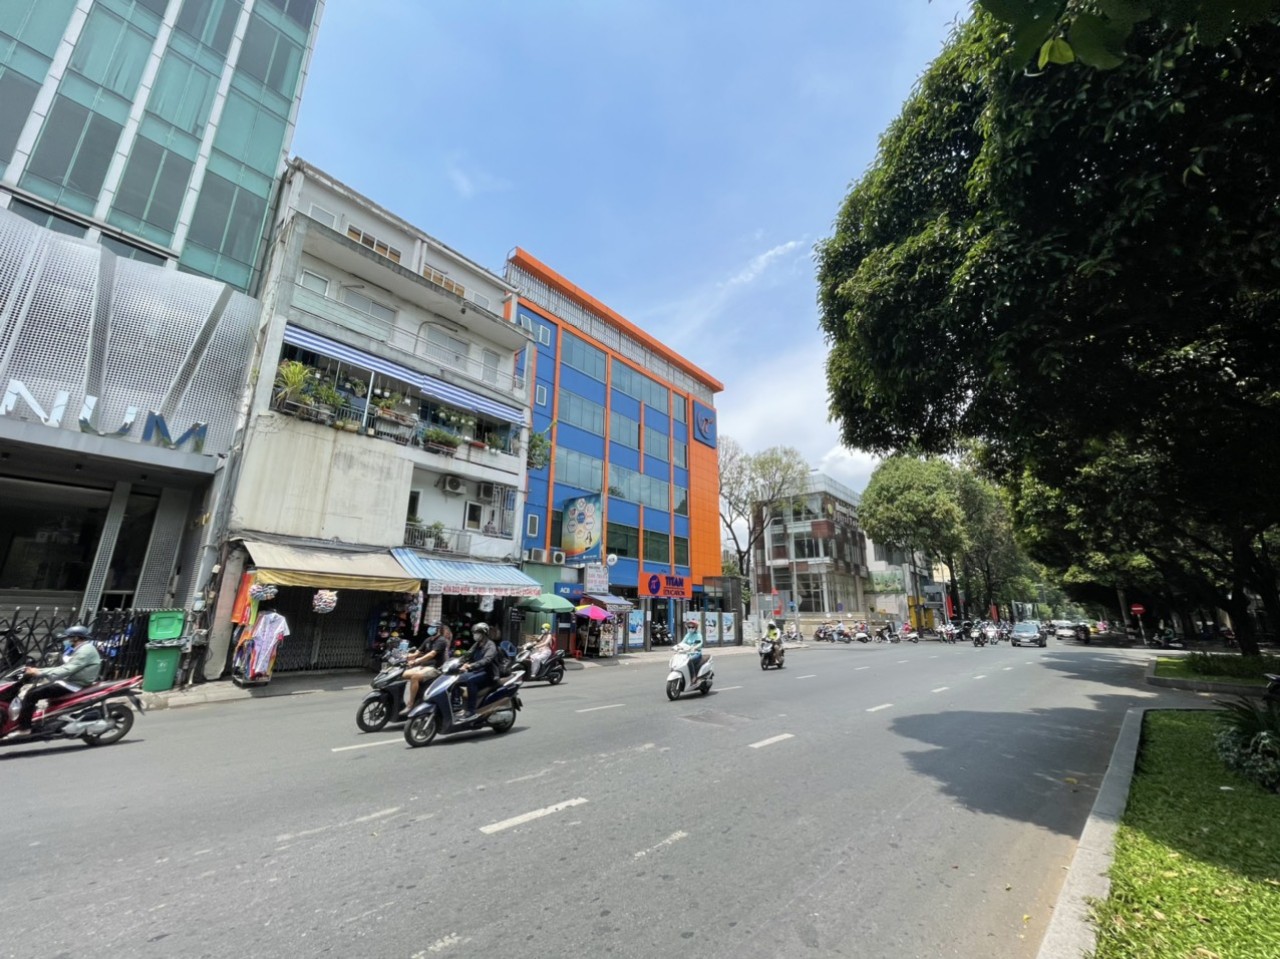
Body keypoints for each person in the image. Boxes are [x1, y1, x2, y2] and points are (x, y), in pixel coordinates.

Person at [14, 626, 102, 734]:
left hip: (73, 684)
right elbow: (63, 668)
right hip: (70, 681)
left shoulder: (85, 650)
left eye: (69, 638)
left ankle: (25, 728)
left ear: (76, 638)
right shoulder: (82, 648)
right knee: (36, 691)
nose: (67, 640)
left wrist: (40, 673)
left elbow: (68, 669)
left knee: (31, 695)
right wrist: (38, 670)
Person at [402, 623, 450, 710]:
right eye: (429, 627)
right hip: (423, 666)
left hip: (435, 668)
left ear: (438, 629)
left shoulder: (442, 641)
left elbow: (431, 654)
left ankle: (410, 704)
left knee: (415, 677)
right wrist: (405, 656)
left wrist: (417, 661)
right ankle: (403, 700)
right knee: (403, 674)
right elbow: (417, 652)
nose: (430, 629)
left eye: (432, 627)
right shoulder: (428, 640)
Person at [456, 623, 499, 717]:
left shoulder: (490, 645)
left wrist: (471, 665)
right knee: (456, 678)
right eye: (474, 633)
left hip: (488, 673)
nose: (475, 635)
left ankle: (471, 710)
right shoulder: (477, 644)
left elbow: (487, 660)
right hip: (477, 671)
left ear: (484, 634)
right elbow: (467, 655)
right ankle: (457, 705)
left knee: (471, 681)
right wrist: (457, 662)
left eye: (477, 633)